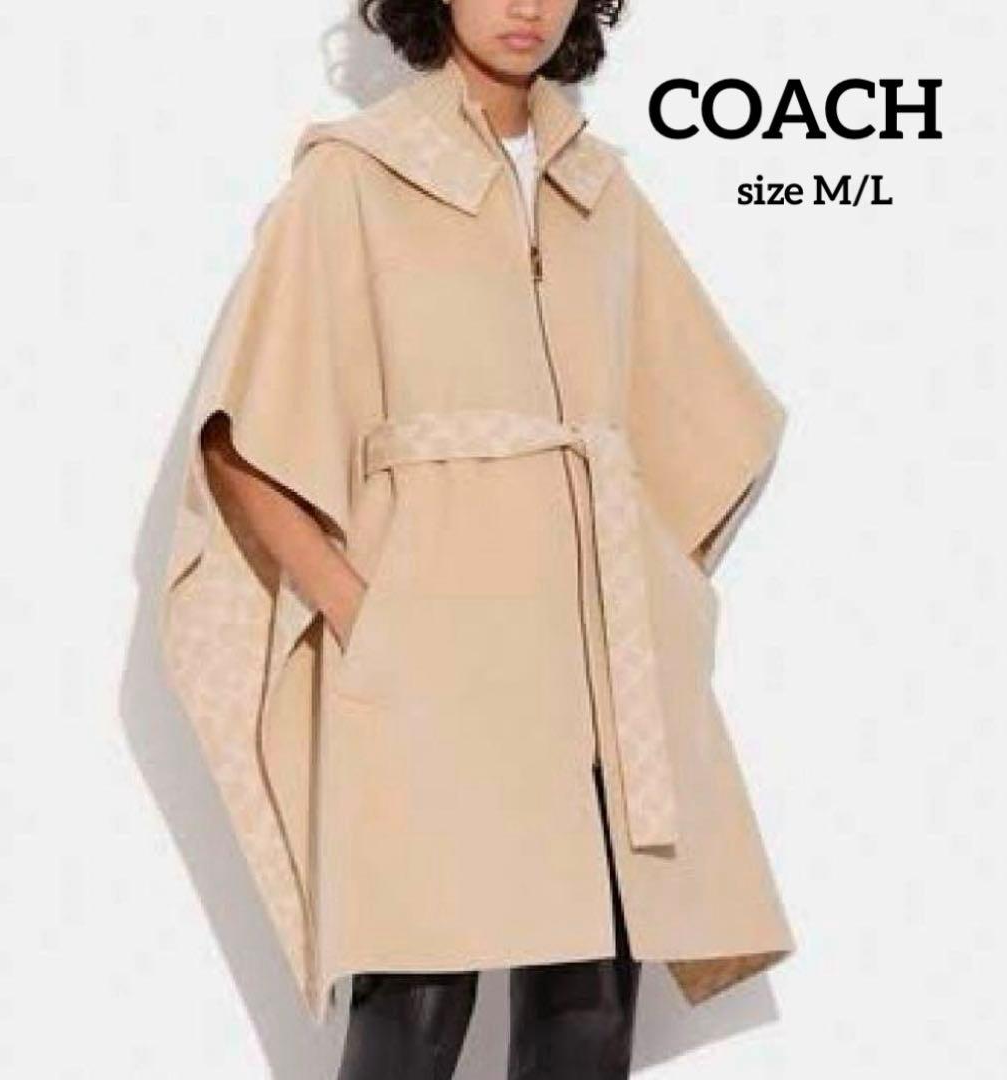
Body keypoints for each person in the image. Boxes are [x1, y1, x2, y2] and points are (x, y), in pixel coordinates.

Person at [158, 1, 798, 1076]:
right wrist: (370, 619)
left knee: (586, 1020)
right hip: (429, 664)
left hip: (594, 678)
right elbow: (240, 442)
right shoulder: (353, 178)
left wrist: (661, 599)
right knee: (412, 1013)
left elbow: (705, 422)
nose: (525, 5)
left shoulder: (602, 191)